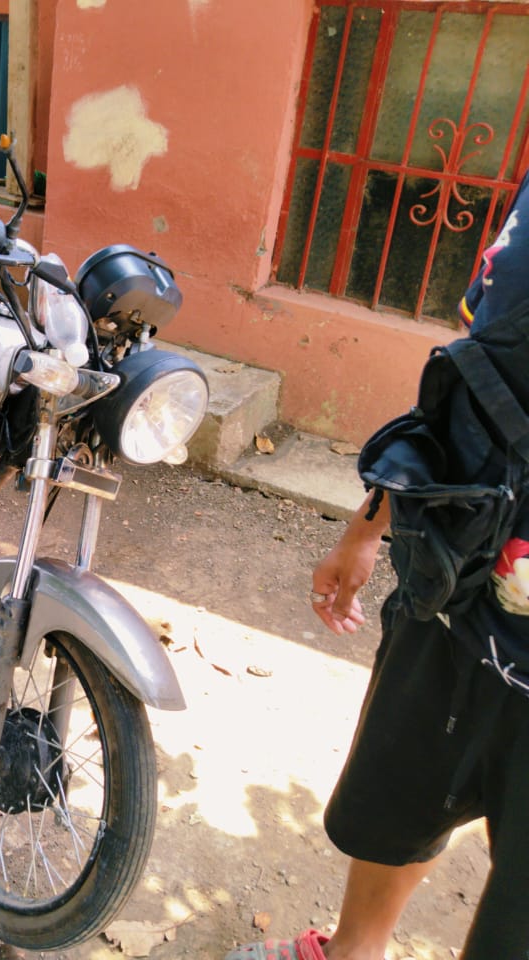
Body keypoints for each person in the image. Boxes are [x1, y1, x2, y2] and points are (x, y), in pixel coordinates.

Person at [224, 172, 529, 960]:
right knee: (404, 796)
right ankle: (355, 950)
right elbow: (470, 387)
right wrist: (370, 527)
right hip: (461, 586)